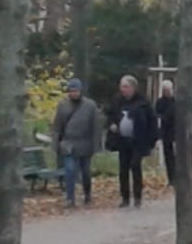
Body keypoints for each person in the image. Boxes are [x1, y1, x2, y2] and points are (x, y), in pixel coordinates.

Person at [105, 75, 157, 208]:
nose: (123, 89)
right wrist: (112, 124)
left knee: (135, 165)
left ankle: (137, 196)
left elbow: (152, 121)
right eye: (122, 86)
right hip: (122, 140)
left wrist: (152, 140)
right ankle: (125, 197)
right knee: (123, 169)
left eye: (126, 86)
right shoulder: (117, 101)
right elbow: (110, 115)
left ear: (133, 87)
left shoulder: (143, 102)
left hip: (138, 141)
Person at [51, 78, 98, 207]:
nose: (73, 93)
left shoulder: (90, 106)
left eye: (76, 91)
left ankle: (87, 194)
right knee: (70, 170)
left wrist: (95, 146)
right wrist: (55, 144)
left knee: (85, 172)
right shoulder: (63, 106)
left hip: (85, 143)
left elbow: (95, 127)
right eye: (71, 91)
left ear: (80, 91)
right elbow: (57, 126)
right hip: (68, 143)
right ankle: (70, 198)